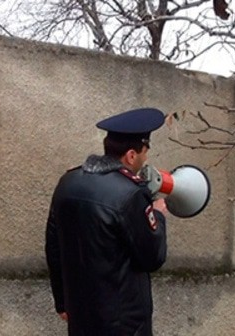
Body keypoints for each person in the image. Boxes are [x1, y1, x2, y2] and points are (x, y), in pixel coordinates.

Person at [45, 107, 168, 336]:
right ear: (131, 155)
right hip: (123, 323)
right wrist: (158, 215)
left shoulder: (67, 182)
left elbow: (54, 247)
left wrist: (62, 302)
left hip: (81, 314)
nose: (146, 159)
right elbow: (152, 257)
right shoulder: (131, 194)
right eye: (144, 153)